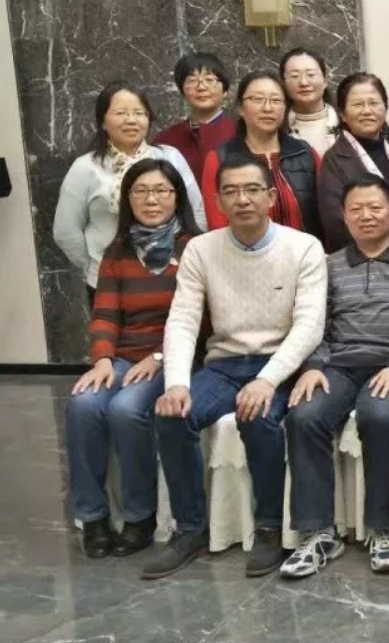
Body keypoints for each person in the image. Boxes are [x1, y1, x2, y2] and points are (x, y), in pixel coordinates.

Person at [142, 153, 328, 580]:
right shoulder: (200, 249)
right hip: (224, 364)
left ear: (271, 196)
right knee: (172, 415)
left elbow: (309, 326)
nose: (242, 199)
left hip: (279, 364)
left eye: (252, 190)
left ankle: (268, 529)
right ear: (218, 200)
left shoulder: (303, 247)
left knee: (258, 418)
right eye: (231, 191)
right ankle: (189, 529)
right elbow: (183, 319)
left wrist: (267, 380)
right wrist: (176, 383)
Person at [281, 174, 389, 579]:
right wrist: (313, 366)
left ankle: (383, 529)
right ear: (343, 216)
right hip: (339, 365)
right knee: (304, 415)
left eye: (375, 207)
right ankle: (318, 534)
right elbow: (316, 325)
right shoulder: (328, 265)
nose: (366, 216)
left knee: (380, 417)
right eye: (356, 209)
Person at [65, 159, 200, 559]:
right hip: (123, 357)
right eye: (140, 191)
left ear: (177, 197)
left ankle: (140, 517)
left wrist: (160, 356)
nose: (150, 199)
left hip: (174, 357)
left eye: (160, 191)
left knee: (126, 409)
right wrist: (103, 359)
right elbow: (105, 314)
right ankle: (93, 517)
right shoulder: (118, 251)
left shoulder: (194, 248)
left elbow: (203, 319)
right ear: (127, 199)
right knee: (82, 404)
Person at [54, 82, 205, 303]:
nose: (131, 120)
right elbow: (66, 231)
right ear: (102, 121)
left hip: (173, 276)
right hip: (110, 283)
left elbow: (196, 213)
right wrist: (96, 266)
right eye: (121, 113)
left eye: (139, 113)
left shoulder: (170, 157)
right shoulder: (85, 168)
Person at [201, 70, 323, 238]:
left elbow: (324, 217)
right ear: (240, 108)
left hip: (303, 252)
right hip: (243, 252)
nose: (267, 108)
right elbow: (217, 226)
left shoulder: (305, 154)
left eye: (276, 100)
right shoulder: (220, 159)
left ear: (285, 108)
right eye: (257, 99)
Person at [317, 73, 389, 249]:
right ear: (342, 114)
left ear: (385, 108)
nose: (367, 111)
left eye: (373, 103)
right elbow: (336, 223)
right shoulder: (333, 161)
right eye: (358, 104)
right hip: (358, 259)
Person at [154, 52, 237, 184]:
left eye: (209, 80)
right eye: (192, 81)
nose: (201, 87)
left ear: (225, 91)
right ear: (182, 91)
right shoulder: (167, 139)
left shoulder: (242, 133)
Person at [281, 48, 340, 157]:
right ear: (283, 83)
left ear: (325, 81)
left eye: (311, 75)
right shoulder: (278, 128)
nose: (303, 82)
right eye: (294, 76)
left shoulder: (344, 123)